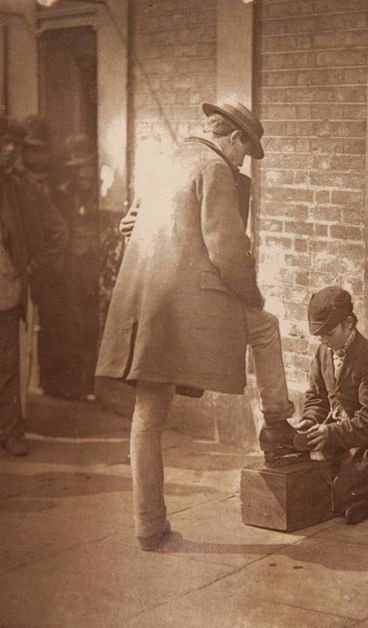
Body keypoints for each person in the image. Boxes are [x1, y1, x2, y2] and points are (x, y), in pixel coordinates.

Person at [96, 100, 303, 550]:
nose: (242, 161)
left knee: (147, 417)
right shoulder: (214, 168)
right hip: (189, 303)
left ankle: (149, 526)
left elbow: (130, 225)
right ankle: (276, 426)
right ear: (233, 138)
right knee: (264, 326)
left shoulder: (166, 161)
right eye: (244, 152)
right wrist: (252, 294)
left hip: (146, 306)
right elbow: (227, 250)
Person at [294, 286, 368, 525]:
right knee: (309, 485)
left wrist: (330, 432)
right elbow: (316, 397)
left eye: (329, 333)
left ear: (349, 323)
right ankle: (355, 494)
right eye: (319, 336)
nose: (323, 340)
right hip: (340, 441)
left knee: (336, 495)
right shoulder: (323, 352)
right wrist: (310, 420)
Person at [0, 115, 67, 456]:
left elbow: (58, 231)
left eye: (14, 145)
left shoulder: (20, 190)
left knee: (8, 366)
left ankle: (11, 431)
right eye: (4, 143)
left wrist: (31, 266)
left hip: (6, 292)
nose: (10, 150)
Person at [18, 115, 81, 400]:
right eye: (30, 149)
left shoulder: (59, 181)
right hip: (27, 263)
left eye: (41, 149)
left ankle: (56, 383)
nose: (36, 155)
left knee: (60, 323)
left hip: (58, 264)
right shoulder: (15, 181)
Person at [59, 134, 100, 399]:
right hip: (72, 264)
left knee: (92, 323)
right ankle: (77, 384)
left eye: (84, 166)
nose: (80, 173)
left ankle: (92, 384)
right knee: (74, 323)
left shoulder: (104, 192)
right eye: (75, 168)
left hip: (95, 263)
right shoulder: (64, 194)